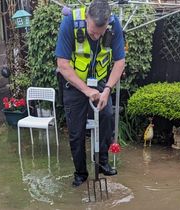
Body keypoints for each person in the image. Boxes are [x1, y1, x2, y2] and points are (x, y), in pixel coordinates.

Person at [56, 0, 125, 187]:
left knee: (107, 115)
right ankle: (81, 173)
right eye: (93, 31)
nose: (95, 37)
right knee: (76, 132)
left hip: (101, 82)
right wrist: (86, 90)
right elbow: (62, 64)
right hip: (74, 84)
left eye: (100, 33)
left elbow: (120, 62)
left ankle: (102, 161)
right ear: (86, 18)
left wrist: (107, 89)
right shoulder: (70, 22)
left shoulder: (114, 24)